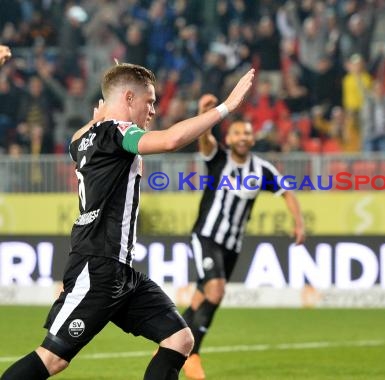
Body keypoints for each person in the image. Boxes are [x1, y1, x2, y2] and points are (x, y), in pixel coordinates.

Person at [0, 63, 254, 380]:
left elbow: (77, 138)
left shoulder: (85, 139)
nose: (153, 110)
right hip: (97, 267)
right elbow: (172, 140)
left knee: (180, 338)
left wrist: (98, 116)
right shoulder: (118, 133)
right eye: (149, 101)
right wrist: (226, 107)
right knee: (53, 358)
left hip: (119, 271)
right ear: (129, 98)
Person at [180, 94, 305, 380]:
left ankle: (169, 347)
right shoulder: (218, 158)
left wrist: (299, 224)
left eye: (247, 133)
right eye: (237, 132)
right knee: (216, 290)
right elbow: (205, 140)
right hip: (207, 236)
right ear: (230, 136)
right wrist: (203, 114)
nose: (243, 137)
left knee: (201, 299)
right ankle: (193, 354)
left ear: (252, 138)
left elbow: (287, 192)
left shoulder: (262, 169)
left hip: (232, 245)